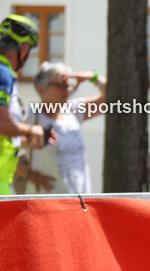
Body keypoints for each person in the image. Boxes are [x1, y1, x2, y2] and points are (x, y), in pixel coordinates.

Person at [28, 62, 107, 194]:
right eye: (60, 85)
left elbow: (111, 99)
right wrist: (31, 176)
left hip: (79, 198)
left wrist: (93, 76)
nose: (66, 90)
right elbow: (10, 151)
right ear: (41, 89)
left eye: (68, 85)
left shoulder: (72, 110)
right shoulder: (31, 117)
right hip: (46, 199)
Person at [0, 14, 57, 195]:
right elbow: (1, 123)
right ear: (24, 49)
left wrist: (27, 141)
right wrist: (32, 130)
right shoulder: (3, 72)